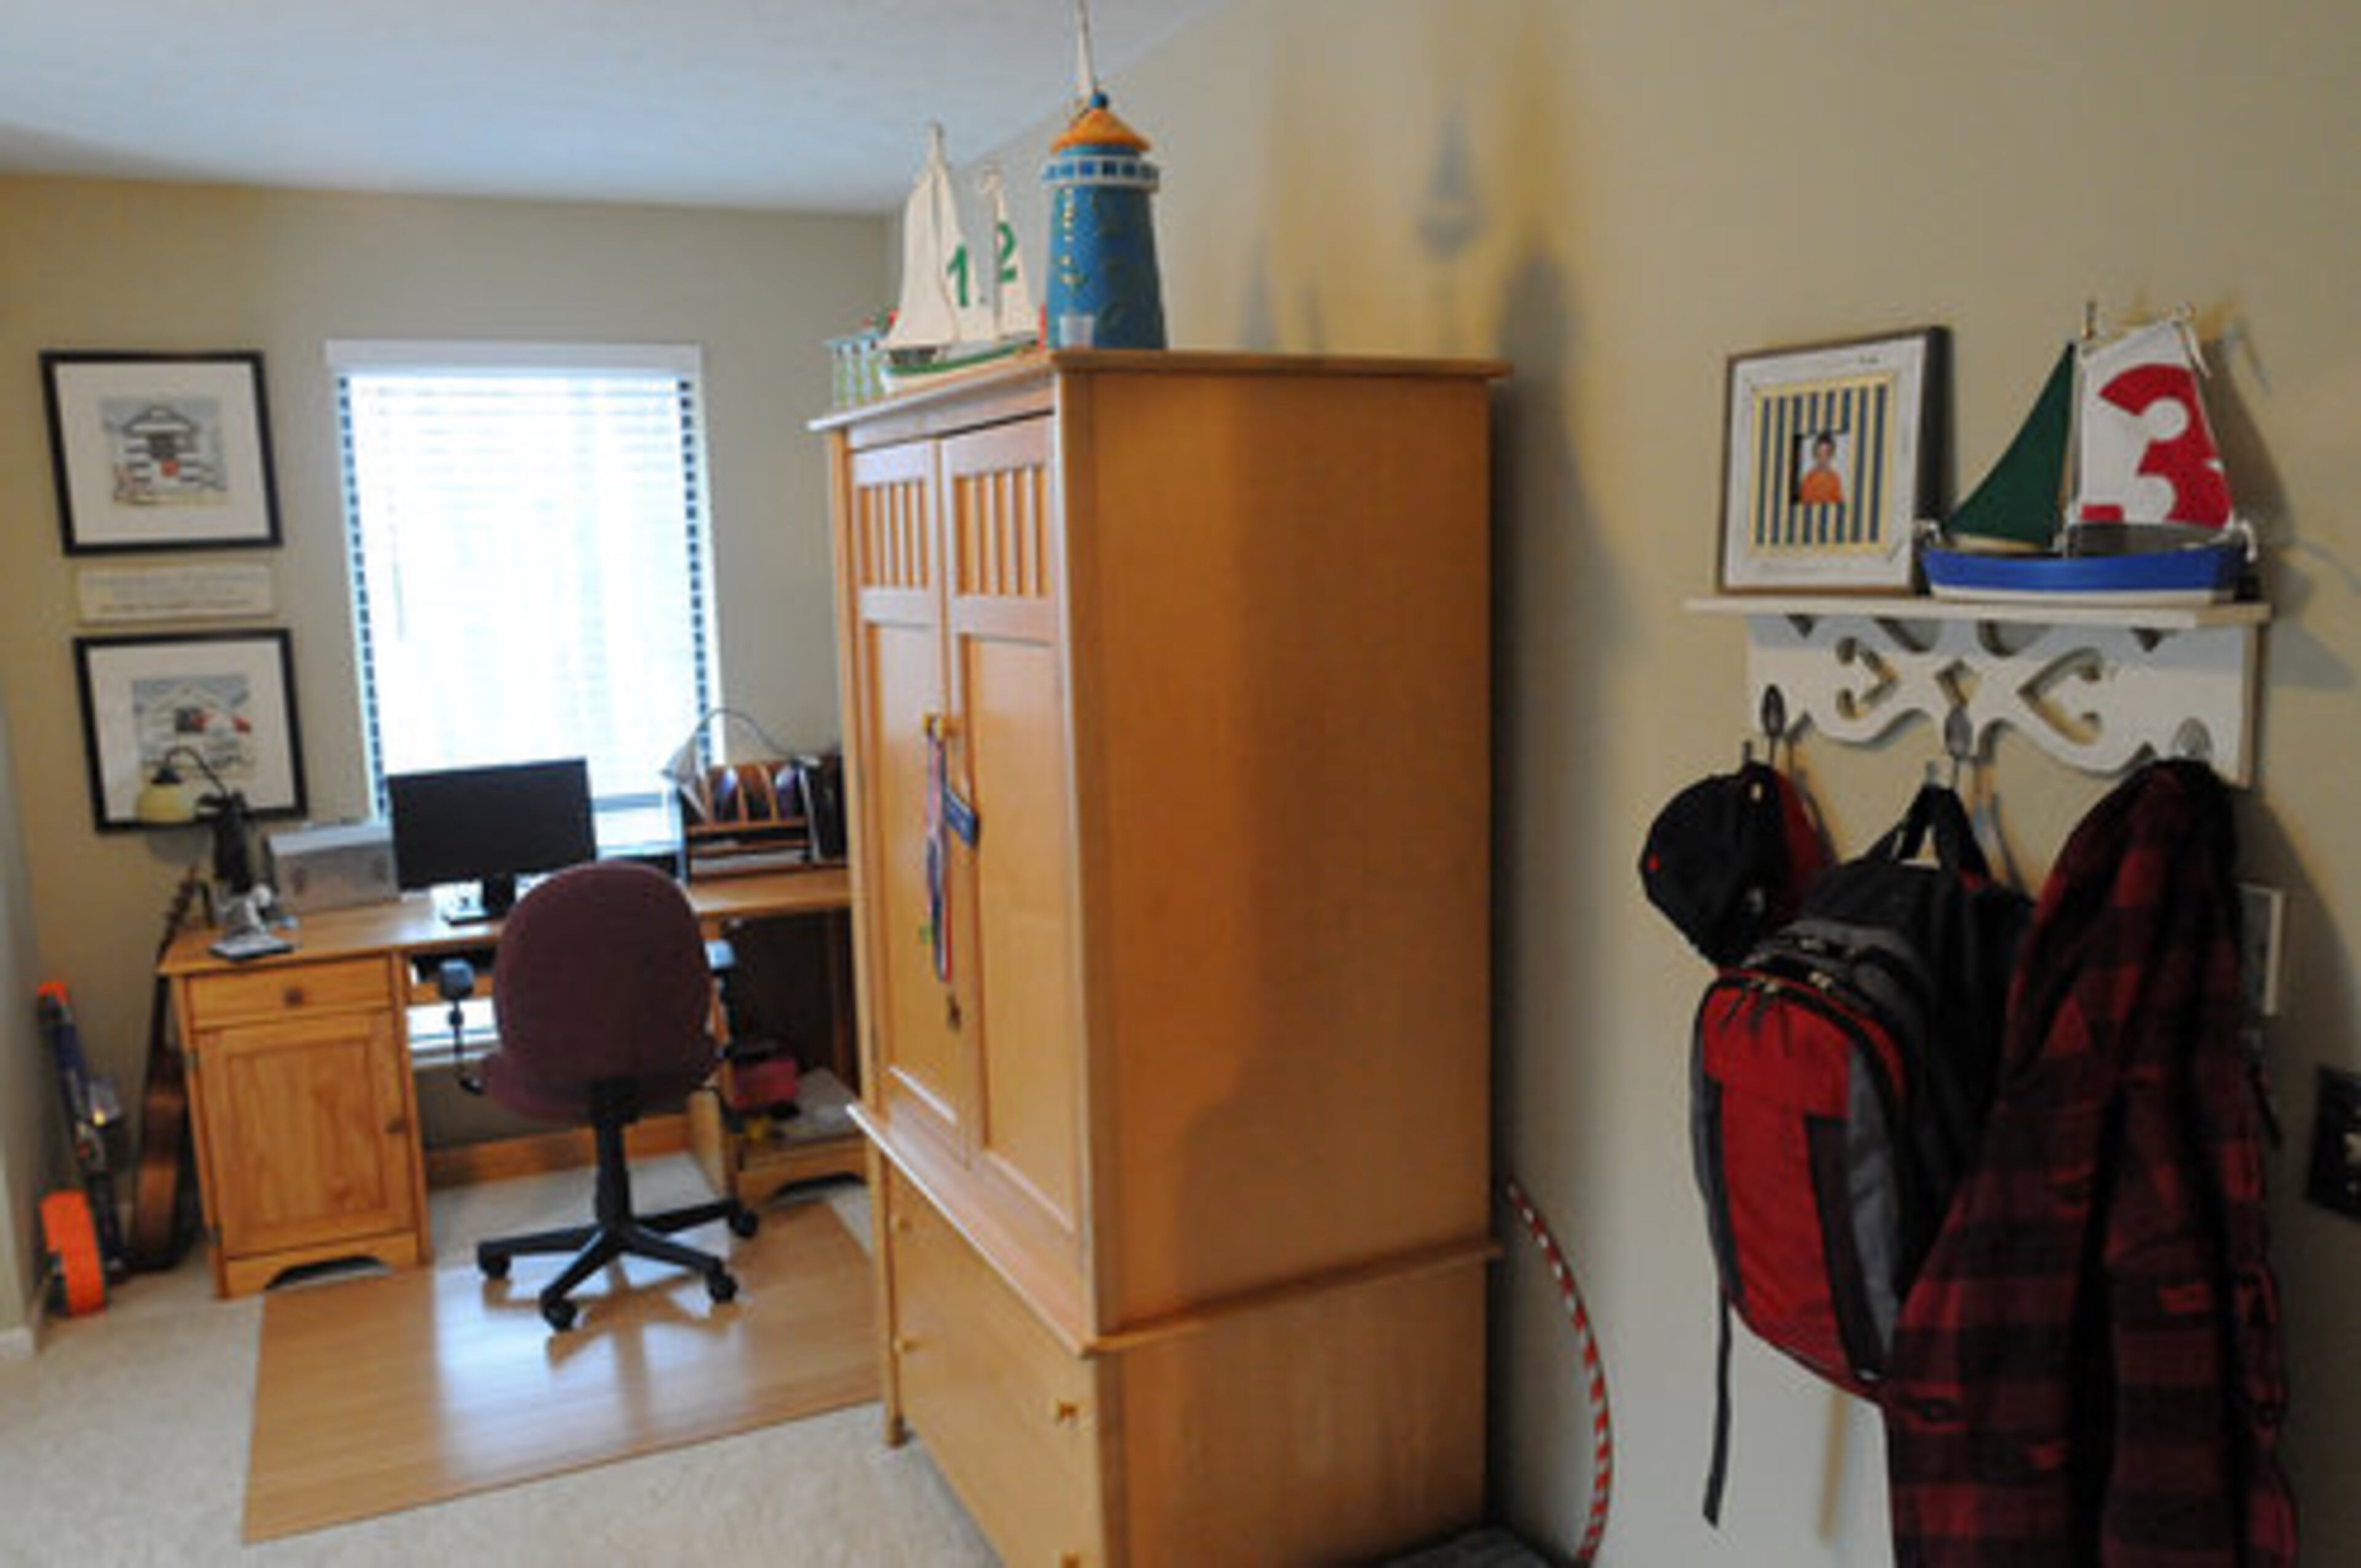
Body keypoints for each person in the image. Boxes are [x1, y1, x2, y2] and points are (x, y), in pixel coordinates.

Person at [1796, 433, 1845, 506]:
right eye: (1820, 452)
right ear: (1815, 454)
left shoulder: (1835, 478)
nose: (1823, 457)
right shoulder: (1809, 478)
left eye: (1826, 453)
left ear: (1831, 455)